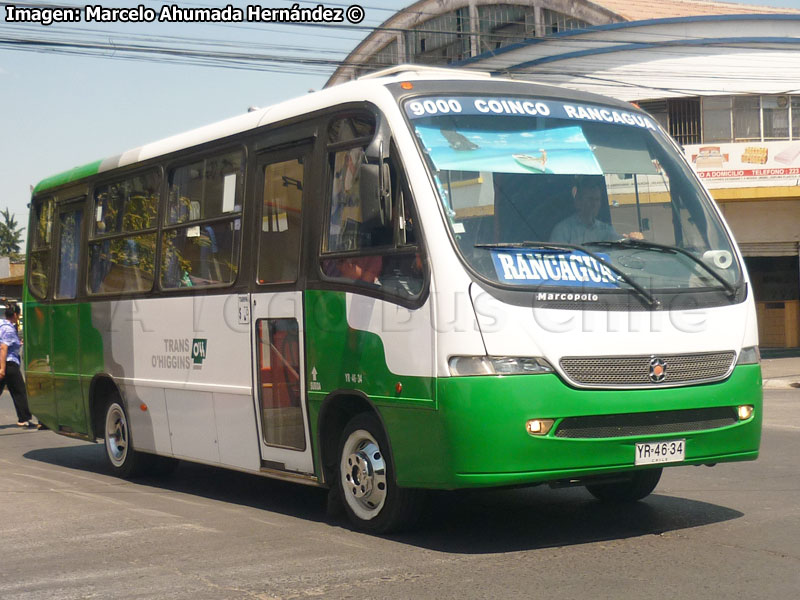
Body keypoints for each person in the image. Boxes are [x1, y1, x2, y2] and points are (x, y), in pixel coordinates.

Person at [550, 177, 643, 245]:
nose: (594, 204)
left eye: (597, 200)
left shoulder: (605, 230)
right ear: (579, 202)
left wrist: (633, 239)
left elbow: (619, 244)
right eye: (590, 199)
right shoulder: (563, 230)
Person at [0, 303, 35, 428]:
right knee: (19, 391)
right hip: (8, 365)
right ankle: (24, 418)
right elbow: (3, 348)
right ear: (15, 315)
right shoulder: (8, 329)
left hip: (4, 363)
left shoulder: (1, 325)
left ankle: (23, 417)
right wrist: (2, 369)